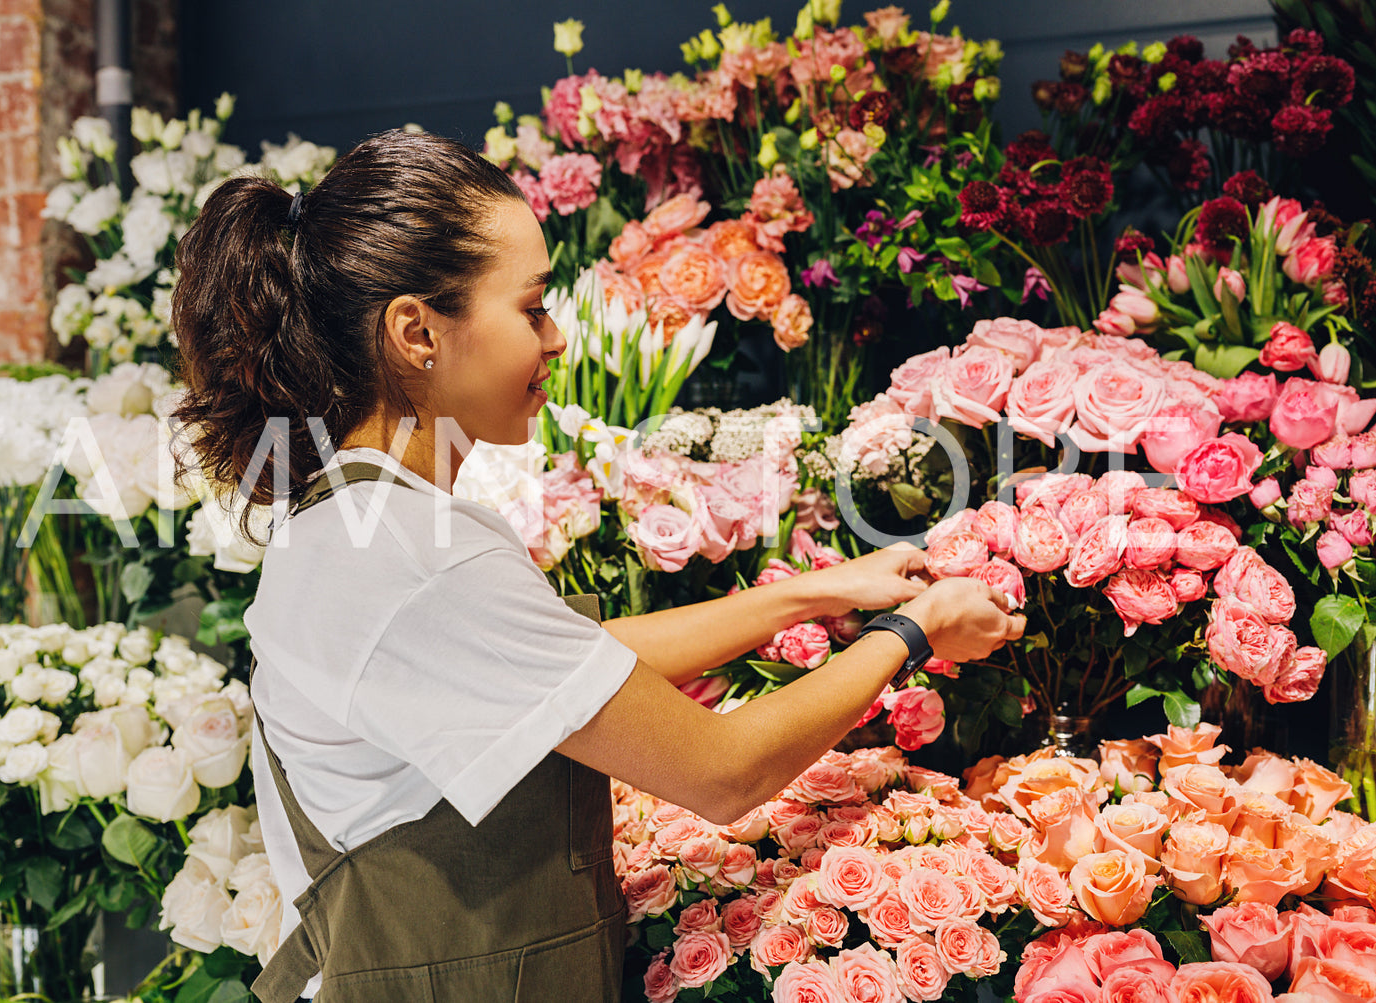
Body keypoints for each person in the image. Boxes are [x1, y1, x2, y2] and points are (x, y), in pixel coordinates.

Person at [170, 129, 1024, 1002]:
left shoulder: (363, 522)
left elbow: (573, 662)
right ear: (416, 332)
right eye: (531, 307)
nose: (557, 338)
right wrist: (910, 633)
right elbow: (721, 771)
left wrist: (814, 592)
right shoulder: (410, 554)